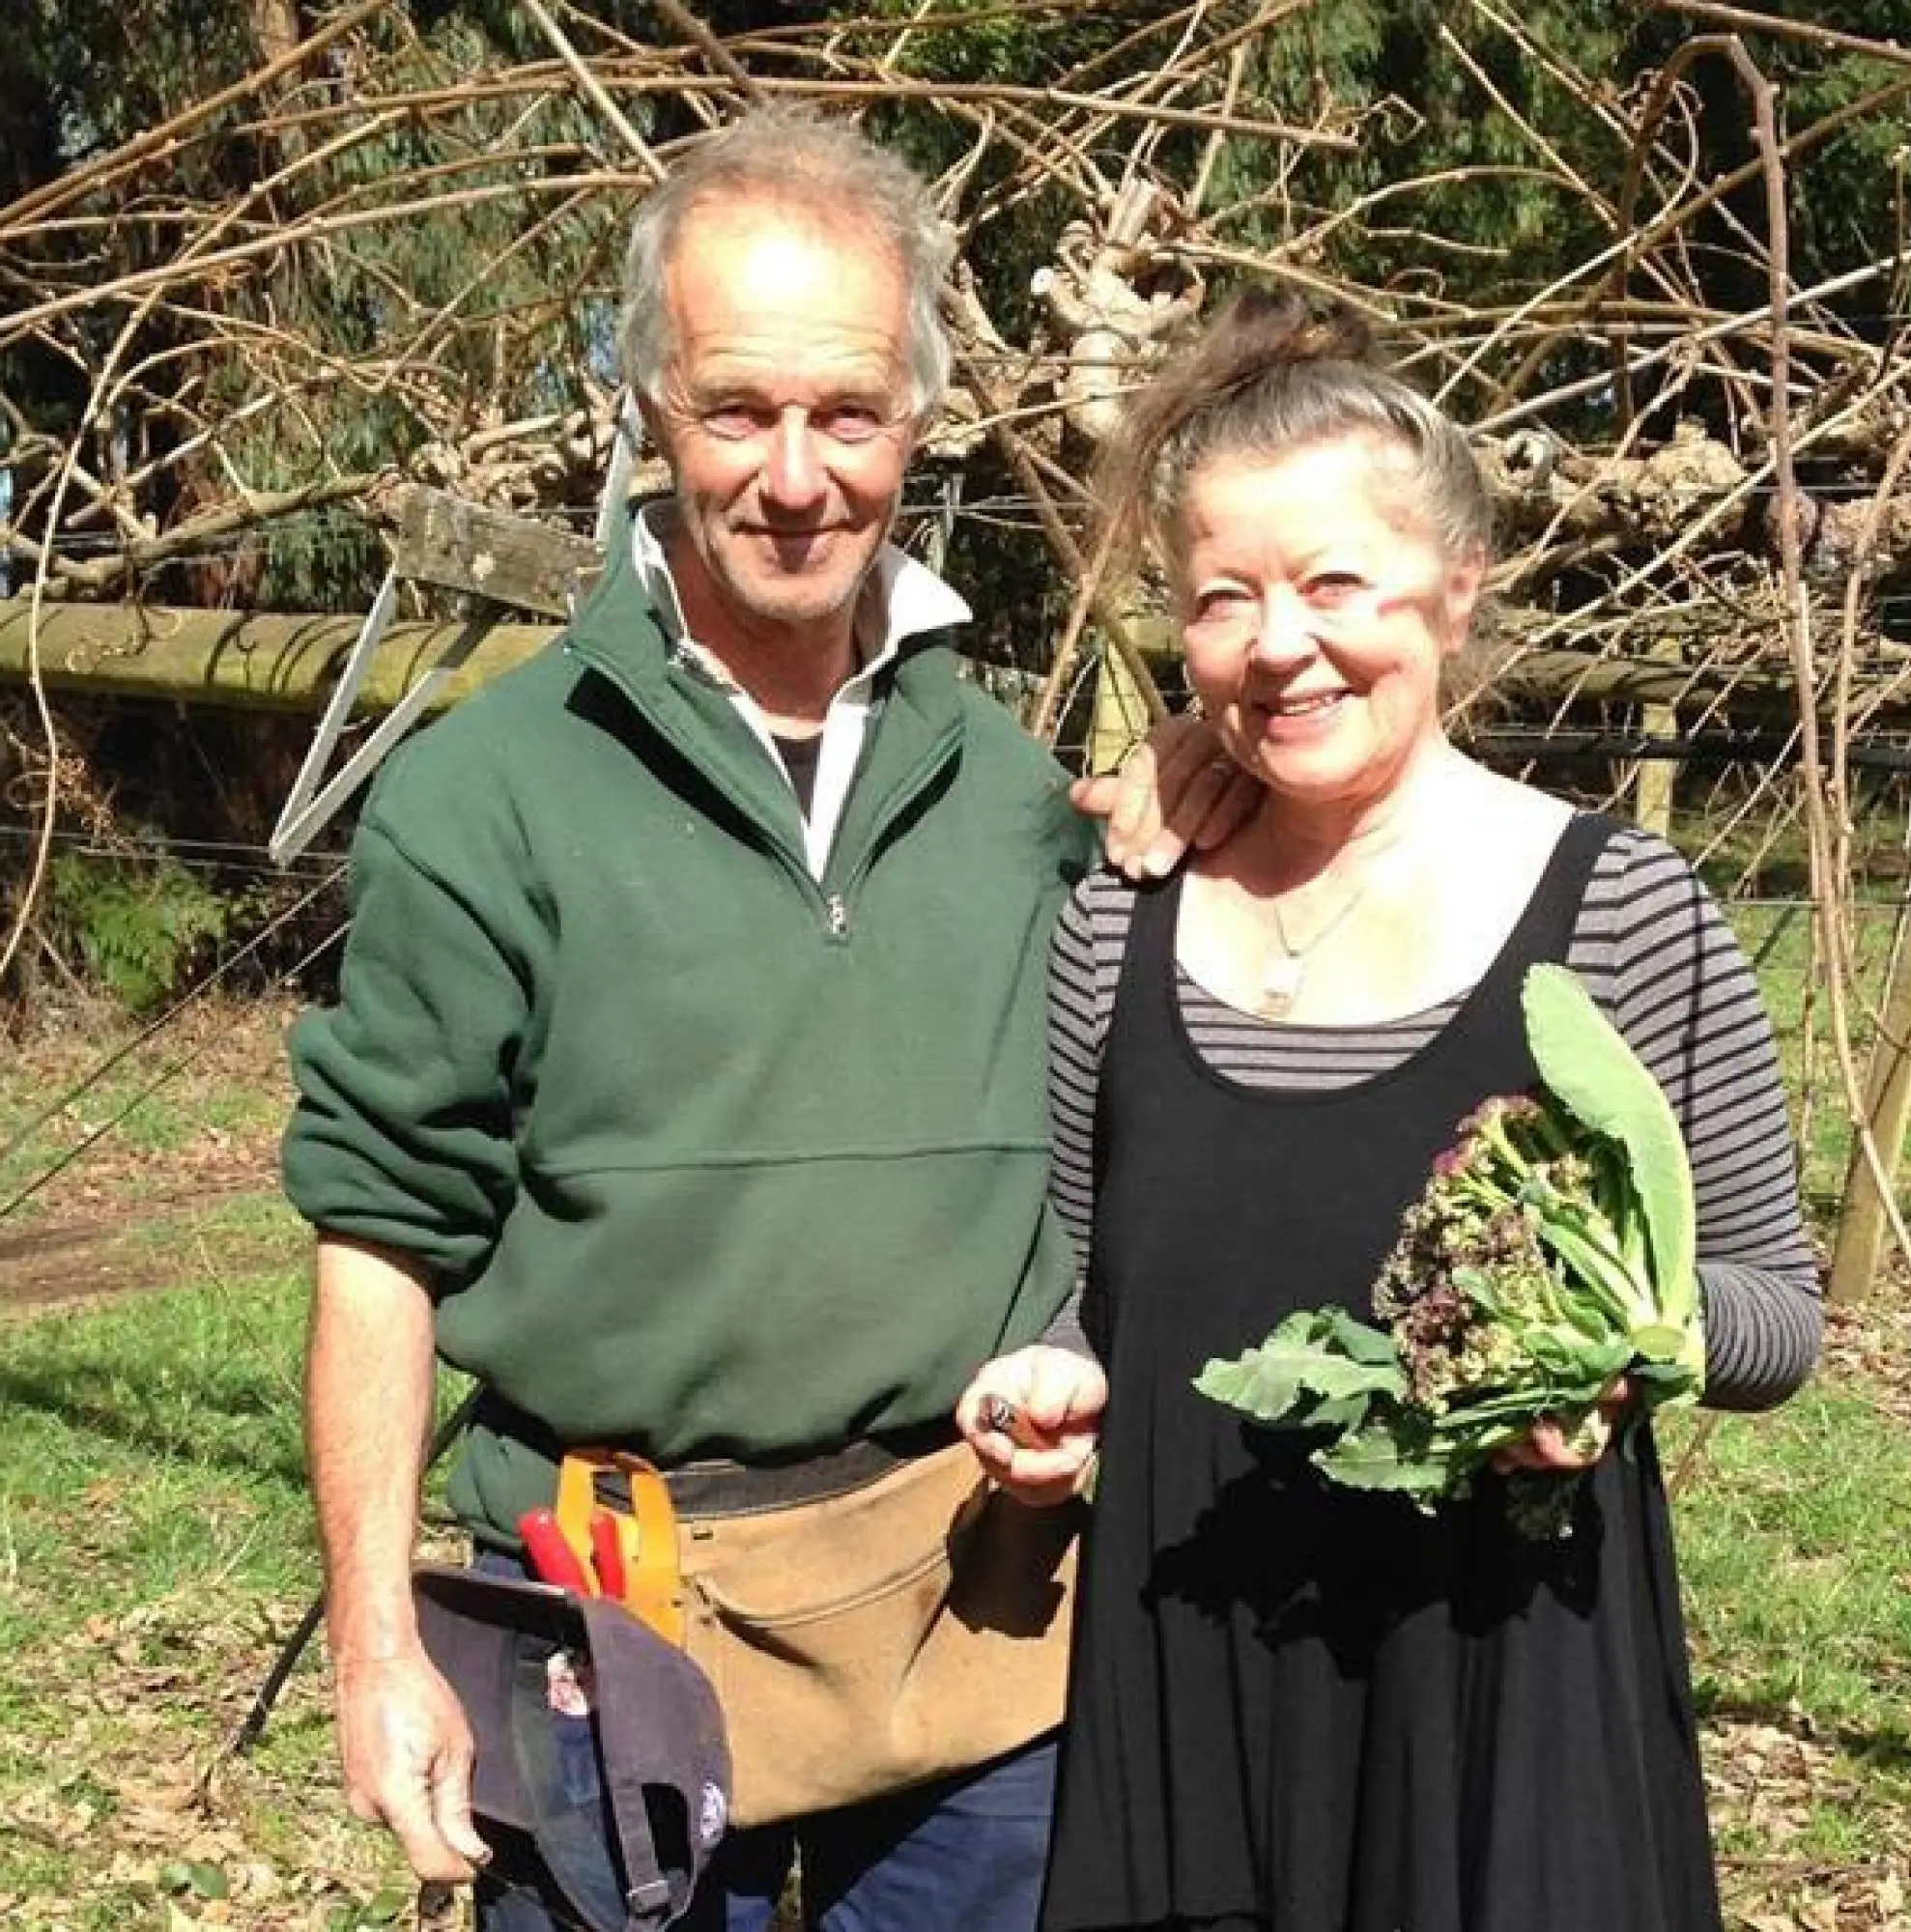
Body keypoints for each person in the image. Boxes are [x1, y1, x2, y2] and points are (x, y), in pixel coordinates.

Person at [281, 107, 1237, 1932]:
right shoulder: (482, 798)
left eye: (848, 413)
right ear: (648, 403)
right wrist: (376, 1641)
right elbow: (377, 1240)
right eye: (736, 410)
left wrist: (1221, 782)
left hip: (979, 1621)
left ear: (921, 416)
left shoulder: (1029, 804)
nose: (795, 476)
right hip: (608, 1623)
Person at [958, 290, 1824, 1932]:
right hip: (1185, 1704)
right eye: (1223, 599)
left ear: (1453, 586)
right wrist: (1050, 1377)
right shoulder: (1117, 916)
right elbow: (1087, 1288)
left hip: (1498, 1710)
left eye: (1332, 582)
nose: (1279, 644)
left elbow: (1776, 1319)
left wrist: (1610, 1351)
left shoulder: (1619, 911)